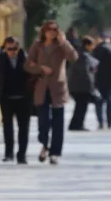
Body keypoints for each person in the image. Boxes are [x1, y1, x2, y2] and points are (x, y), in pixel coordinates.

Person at [26, 20, 79, 165]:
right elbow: (27, 65)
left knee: (58, 122)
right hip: (42, 87)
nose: (51, 32)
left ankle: (55, 153)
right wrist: (40, 68)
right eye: (49, 29)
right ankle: (45, 145)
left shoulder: (61, 46)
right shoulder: (37, 45)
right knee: (43, 121)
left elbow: (74, 57)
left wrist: (64, 42)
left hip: (58, 87)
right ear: (44, 31)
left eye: (55, 29)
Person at [0, 36, 31, 164]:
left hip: (24, 98)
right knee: (7, 126)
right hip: (6, 98)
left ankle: (22, 155)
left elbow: (33, 74)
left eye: (15, 48)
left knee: (23, 127)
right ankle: (9, 153)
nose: (12, 51)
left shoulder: (25, 58)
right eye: (9, 49)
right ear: (4, 48)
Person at [67, 36, 100, 131]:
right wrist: (92, 87)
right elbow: (85, 73)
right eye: (91, 45)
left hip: (76, 86)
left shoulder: (79, 54)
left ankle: (74, 124)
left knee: (79, 107)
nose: (93, 47)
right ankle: (78, 125)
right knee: (81, 107)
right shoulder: (84, 56)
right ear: (87, 45)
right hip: (82, 86)